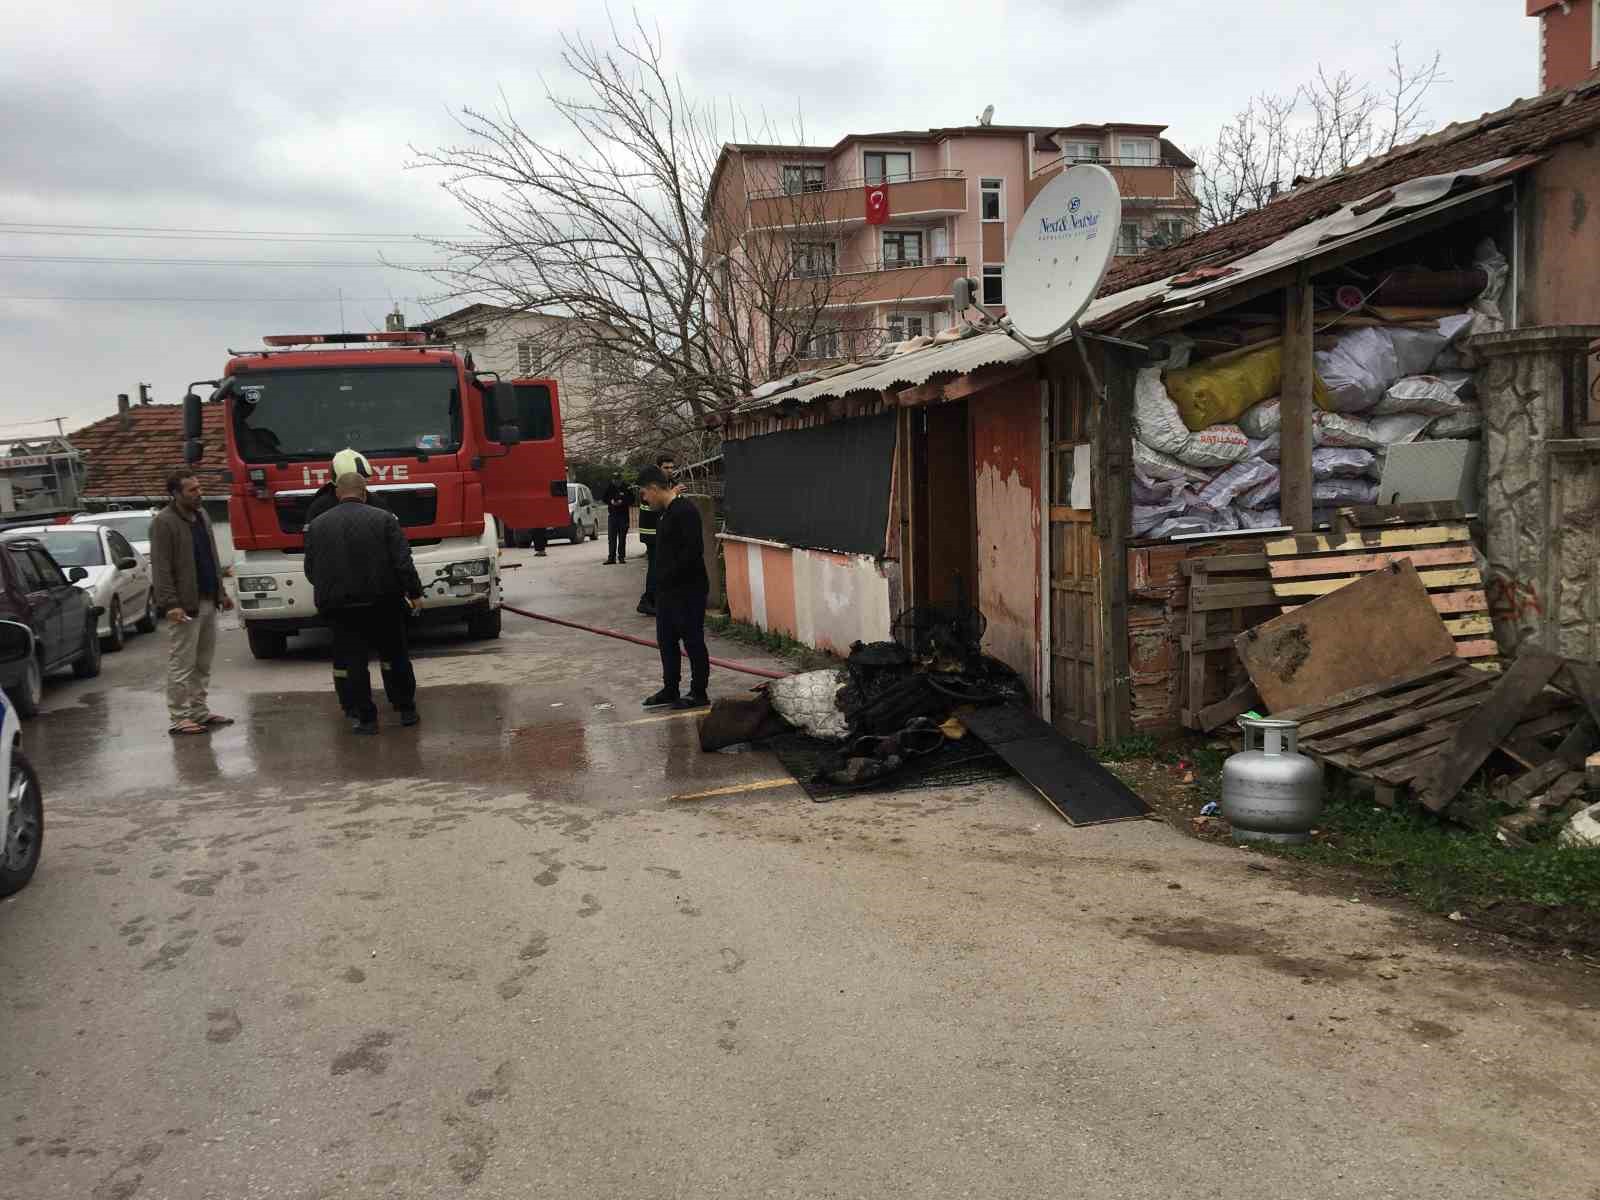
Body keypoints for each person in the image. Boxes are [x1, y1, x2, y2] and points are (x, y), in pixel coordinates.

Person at [304, 472, 424, 735]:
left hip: (339, 607)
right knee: (395, 656)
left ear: (337, 493)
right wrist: (414, 593)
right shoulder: (384, 519)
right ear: (365, 492)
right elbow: (402, 562)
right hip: (383, 602)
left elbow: (311, 570)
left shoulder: (318, 525)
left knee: (353, 662)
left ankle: (365, 719)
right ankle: (405, 709)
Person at [150, 469, 235, 735]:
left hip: (209, 599)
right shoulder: (163, 523)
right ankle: (179, 716)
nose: (199, 493)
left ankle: (199, 711)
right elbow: (161, 567)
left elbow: (211, 555)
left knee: (202, 662)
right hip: (185, 605)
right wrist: (170, 604)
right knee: (182, 663)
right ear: (175, 494)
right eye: (192, 490)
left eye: (199, 488)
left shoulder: (202, 515)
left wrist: (222, 592)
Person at [637, 466, 709, 710]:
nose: (644, 499)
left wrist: (670, 576)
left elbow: (692, 552)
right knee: (666, 640)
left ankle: (699, 692)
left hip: (688, 589)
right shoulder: (664, 513)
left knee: (692, 640)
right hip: (667, 591)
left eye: (645, 493)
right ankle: (670, 689)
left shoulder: (685, 511)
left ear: (655, 488)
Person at [636, 452, 676, 616]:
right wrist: (673, 494)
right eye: (666, 468)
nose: (670, 471)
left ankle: (653, 599)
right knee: (655, 568)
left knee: (658, 567)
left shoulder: (669, 483)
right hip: (652, 533)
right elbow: (656, 507)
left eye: (672, 467)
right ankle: (647, 600)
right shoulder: (652, 486)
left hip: (660, 533)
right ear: (658, 469)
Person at [305, 448, 385, 526]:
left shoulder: (375, 501)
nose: (364, 486)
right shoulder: (320, 507)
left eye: (364, 482)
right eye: (355, 483)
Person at [601, 472, 634, 565]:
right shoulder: (609, 487)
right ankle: (611, 558)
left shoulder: (626, 487)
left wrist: (622, 501)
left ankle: (621, 557)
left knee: (622, 538)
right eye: (614, 480)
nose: (616, 482)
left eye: (618, 480)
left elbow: (632, 500)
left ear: (621, 480)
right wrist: (610, 501)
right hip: (612, 516)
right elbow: (604, 498)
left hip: (623, 516)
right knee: (612, 538)